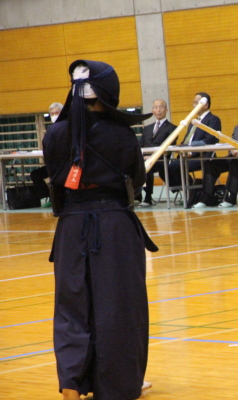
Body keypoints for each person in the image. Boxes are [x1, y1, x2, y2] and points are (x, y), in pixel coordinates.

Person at [43, 60, 158, 400]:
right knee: (117, 306)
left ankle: (72, 382)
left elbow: (55, 176)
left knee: (72, 307)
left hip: (70, 227)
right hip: (113, 228)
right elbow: (137, 179)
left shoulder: (54, 134)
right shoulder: (121, 135)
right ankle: (117, 384)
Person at [192, 94, 238, 208]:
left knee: (236, 163)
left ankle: (230, 198)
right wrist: (232, 151)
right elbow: (231, 143)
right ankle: (206, 198)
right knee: (211, 164)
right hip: (235, 156)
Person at [159, 92, 220, 196]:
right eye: (194, 102)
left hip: (202, 156)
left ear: (205, 105)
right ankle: (190, 190)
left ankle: (191, 192)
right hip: (185, 155)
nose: (194, 105)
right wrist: (181, 148)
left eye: (197, 103)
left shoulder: (213, 119)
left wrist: (191, 152)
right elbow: (187, 140)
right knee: (163, 168)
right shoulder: (193, 122)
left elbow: (210, 140)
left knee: (174, 167)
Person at [139, 99, 176, 206]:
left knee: (147, 167)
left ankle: (148, 197)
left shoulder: (172, 128)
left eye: (161, 107)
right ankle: (136, 195)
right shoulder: (147, 128)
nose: (158, 110)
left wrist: (151, 157)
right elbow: (140, 145)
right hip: (145, 159)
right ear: (153, 110)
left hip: (161, 160)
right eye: (156, 107)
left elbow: (169, 146)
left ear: (166, 110)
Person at [31, 102, 64, 207]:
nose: (54, 115)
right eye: (52, 113)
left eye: (56, 113)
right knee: (35, 174)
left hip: (64, 165)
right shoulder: (50, 128)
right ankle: (46, 198)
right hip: (53, 164)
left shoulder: (67, 126)